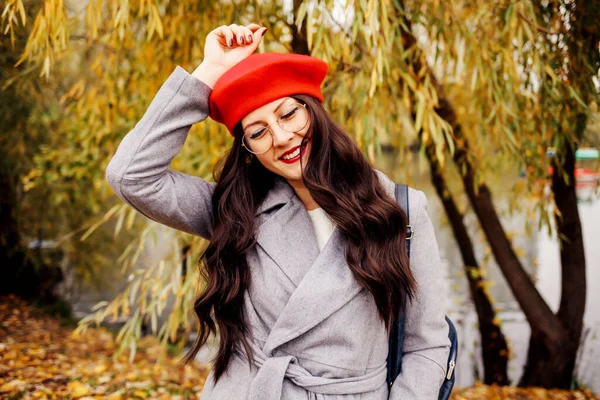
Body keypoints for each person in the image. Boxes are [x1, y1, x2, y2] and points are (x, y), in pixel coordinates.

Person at [106, 22, 450, 400]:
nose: (282, 137)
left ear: (314, 111)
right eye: (258, 131)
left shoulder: (399, 208)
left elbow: (426, 347)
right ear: (248, 148)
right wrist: (208, 73)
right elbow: (131, 176)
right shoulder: (236, 211)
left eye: (288, 114)